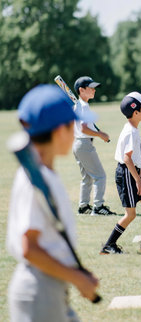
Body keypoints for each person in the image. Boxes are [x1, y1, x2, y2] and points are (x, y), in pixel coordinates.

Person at [6, 85, 99, 322]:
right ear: (60, 131)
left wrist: (76, 274)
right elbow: (30, 249)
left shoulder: (45, 174)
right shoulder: (35, 181)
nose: (76, 130)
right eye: (73, 125)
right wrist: (77, 278)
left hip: (51, 288)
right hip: (38, 291)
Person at [100, 92, 141, 254]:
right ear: (135, 112)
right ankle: (109, 245)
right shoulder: (131, 132)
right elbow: (127, 158)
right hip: (127, 174)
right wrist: (138, 180)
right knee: (130, 214)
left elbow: (135, 159)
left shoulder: (132, 128)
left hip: (133, 172)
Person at [73, 76, 115, 216]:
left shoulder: (80, 105)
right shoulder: (83, 106)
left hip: (78, 144)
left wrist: (98, 133)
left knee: (87, 177)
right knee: (100, 176)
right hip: (84, 144)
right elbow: (84, 128)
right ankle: (98, 207)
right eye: (90, 88)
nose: (94, 90)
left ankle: (84, 206)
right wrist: (100, 134)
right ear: (81, 90)